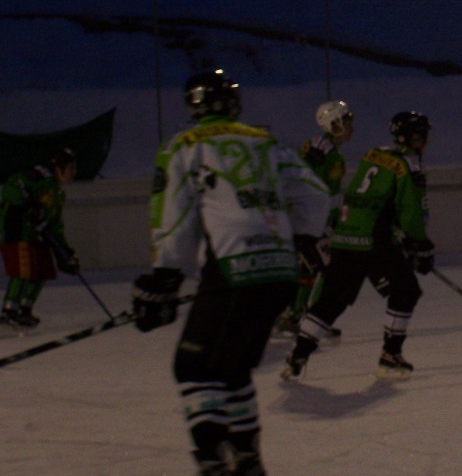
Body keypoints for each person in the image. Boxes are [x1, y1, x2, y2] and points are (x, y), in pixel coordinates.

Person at [132, 69, 329, 476]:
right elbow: (314, 192)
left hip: (232, 267)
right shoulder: (266, 142)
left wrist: (166, 273)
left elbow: (173, 212)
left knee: (192, 367)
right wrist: (303, 239)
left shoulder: (185, 144)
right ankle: (246, 459)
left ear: (194, 105)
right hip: (280, 270)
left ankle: (213, 462)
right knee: (231, 369)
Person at [282, 110, 435, 382]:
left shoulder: (373, 154)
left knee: (332, 300)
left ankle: (297, 355)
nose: (426, 141)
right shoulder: (408, 165)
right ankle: (390, 356)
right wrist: (420, 244)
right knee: (406, 291)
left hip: (345, 237)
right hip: (373, 242)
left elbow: (365, 199)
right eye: (423, 136)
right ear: (415, 138)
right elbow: (411, 212)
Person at [272, 99, 355, 338]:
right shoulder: (321, 149)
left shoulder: (330, 152)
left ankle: (298, 316)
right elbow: (309, 184)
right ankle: (310, 317)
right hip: (311, 220)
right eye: (346, 122)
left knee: (311, 268)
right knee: (329, 269)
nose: (351, 128)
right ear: (333, 124)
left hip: (316, 219)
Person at [0, 147, 79, 328]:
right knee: (24, 268)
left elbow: (55, 226)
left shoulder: (58, 194)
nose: (74, 173)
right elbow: (10, 188)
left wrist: (65, 252)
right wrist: (28, 204)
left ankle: (25, 308)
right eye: (70, 168)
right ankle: (9, 310)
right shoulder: (39, 178)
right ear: (58, 168)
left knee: (44, 267)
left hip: (33, 234)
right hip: (15, 230)